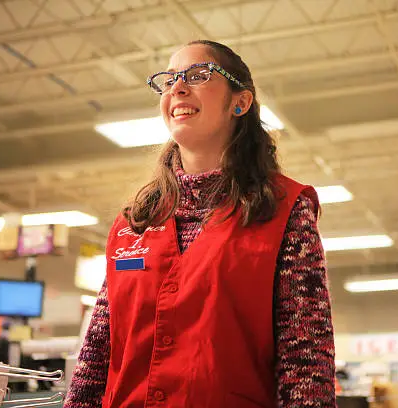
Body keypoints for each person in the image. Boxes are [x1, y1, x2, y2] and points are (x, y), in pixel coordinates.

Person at [63, 40, 336, 408]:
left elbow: (305, 361)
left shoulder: (285, 209)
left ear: (240, 102)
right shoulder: (133, 223)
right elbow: (96, 355)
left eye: (197, 75)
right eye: (169, 79)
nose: (177, 86)